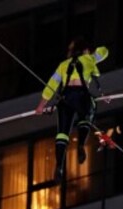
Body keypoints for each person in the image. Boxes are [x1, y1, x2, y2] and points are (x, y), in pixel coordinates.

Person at [35, 37, 109, 182]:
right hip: (82, 95)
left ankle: (59, 165)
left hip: (65, 98)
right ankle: (81, 144)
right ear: (85, 50)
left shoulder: (63, 65)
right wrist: (90, 53)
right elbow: (105, 51)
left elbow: (51, 85)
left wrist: (41, 106)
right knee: (87, 114)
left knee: (62, 133)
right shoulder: (89, 59)